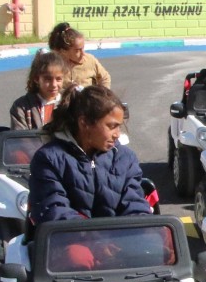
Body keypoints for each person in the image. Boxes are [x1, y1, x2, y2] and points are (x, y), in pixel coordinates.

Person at [28, 85, 151, 225]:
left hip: (118, 241)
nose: (117, 134)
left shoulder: (125, 158)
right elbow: (53, 211)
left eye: (119, 126)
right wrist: (96, 239)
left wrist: (129, 235)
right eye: (111, 126)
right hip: (67, 241)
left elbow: (135, 206)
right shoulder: (48, 159)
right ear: (84, 123)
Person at [9, 51, 68, 130]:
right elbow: (20, 139)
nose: (54, 85)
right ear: (36, 79)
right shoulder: (22, 107)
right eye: (48, 79)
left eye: (58, 79)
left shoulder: (69, 102)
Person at [48, 22, 112, 89]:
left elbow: (105, 78)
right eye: (77, 50)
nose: (83, 53)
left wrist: (101, 94)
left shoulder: (89, 60)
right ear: (64, 51)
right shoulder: (53, 65)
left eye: (83, 48)